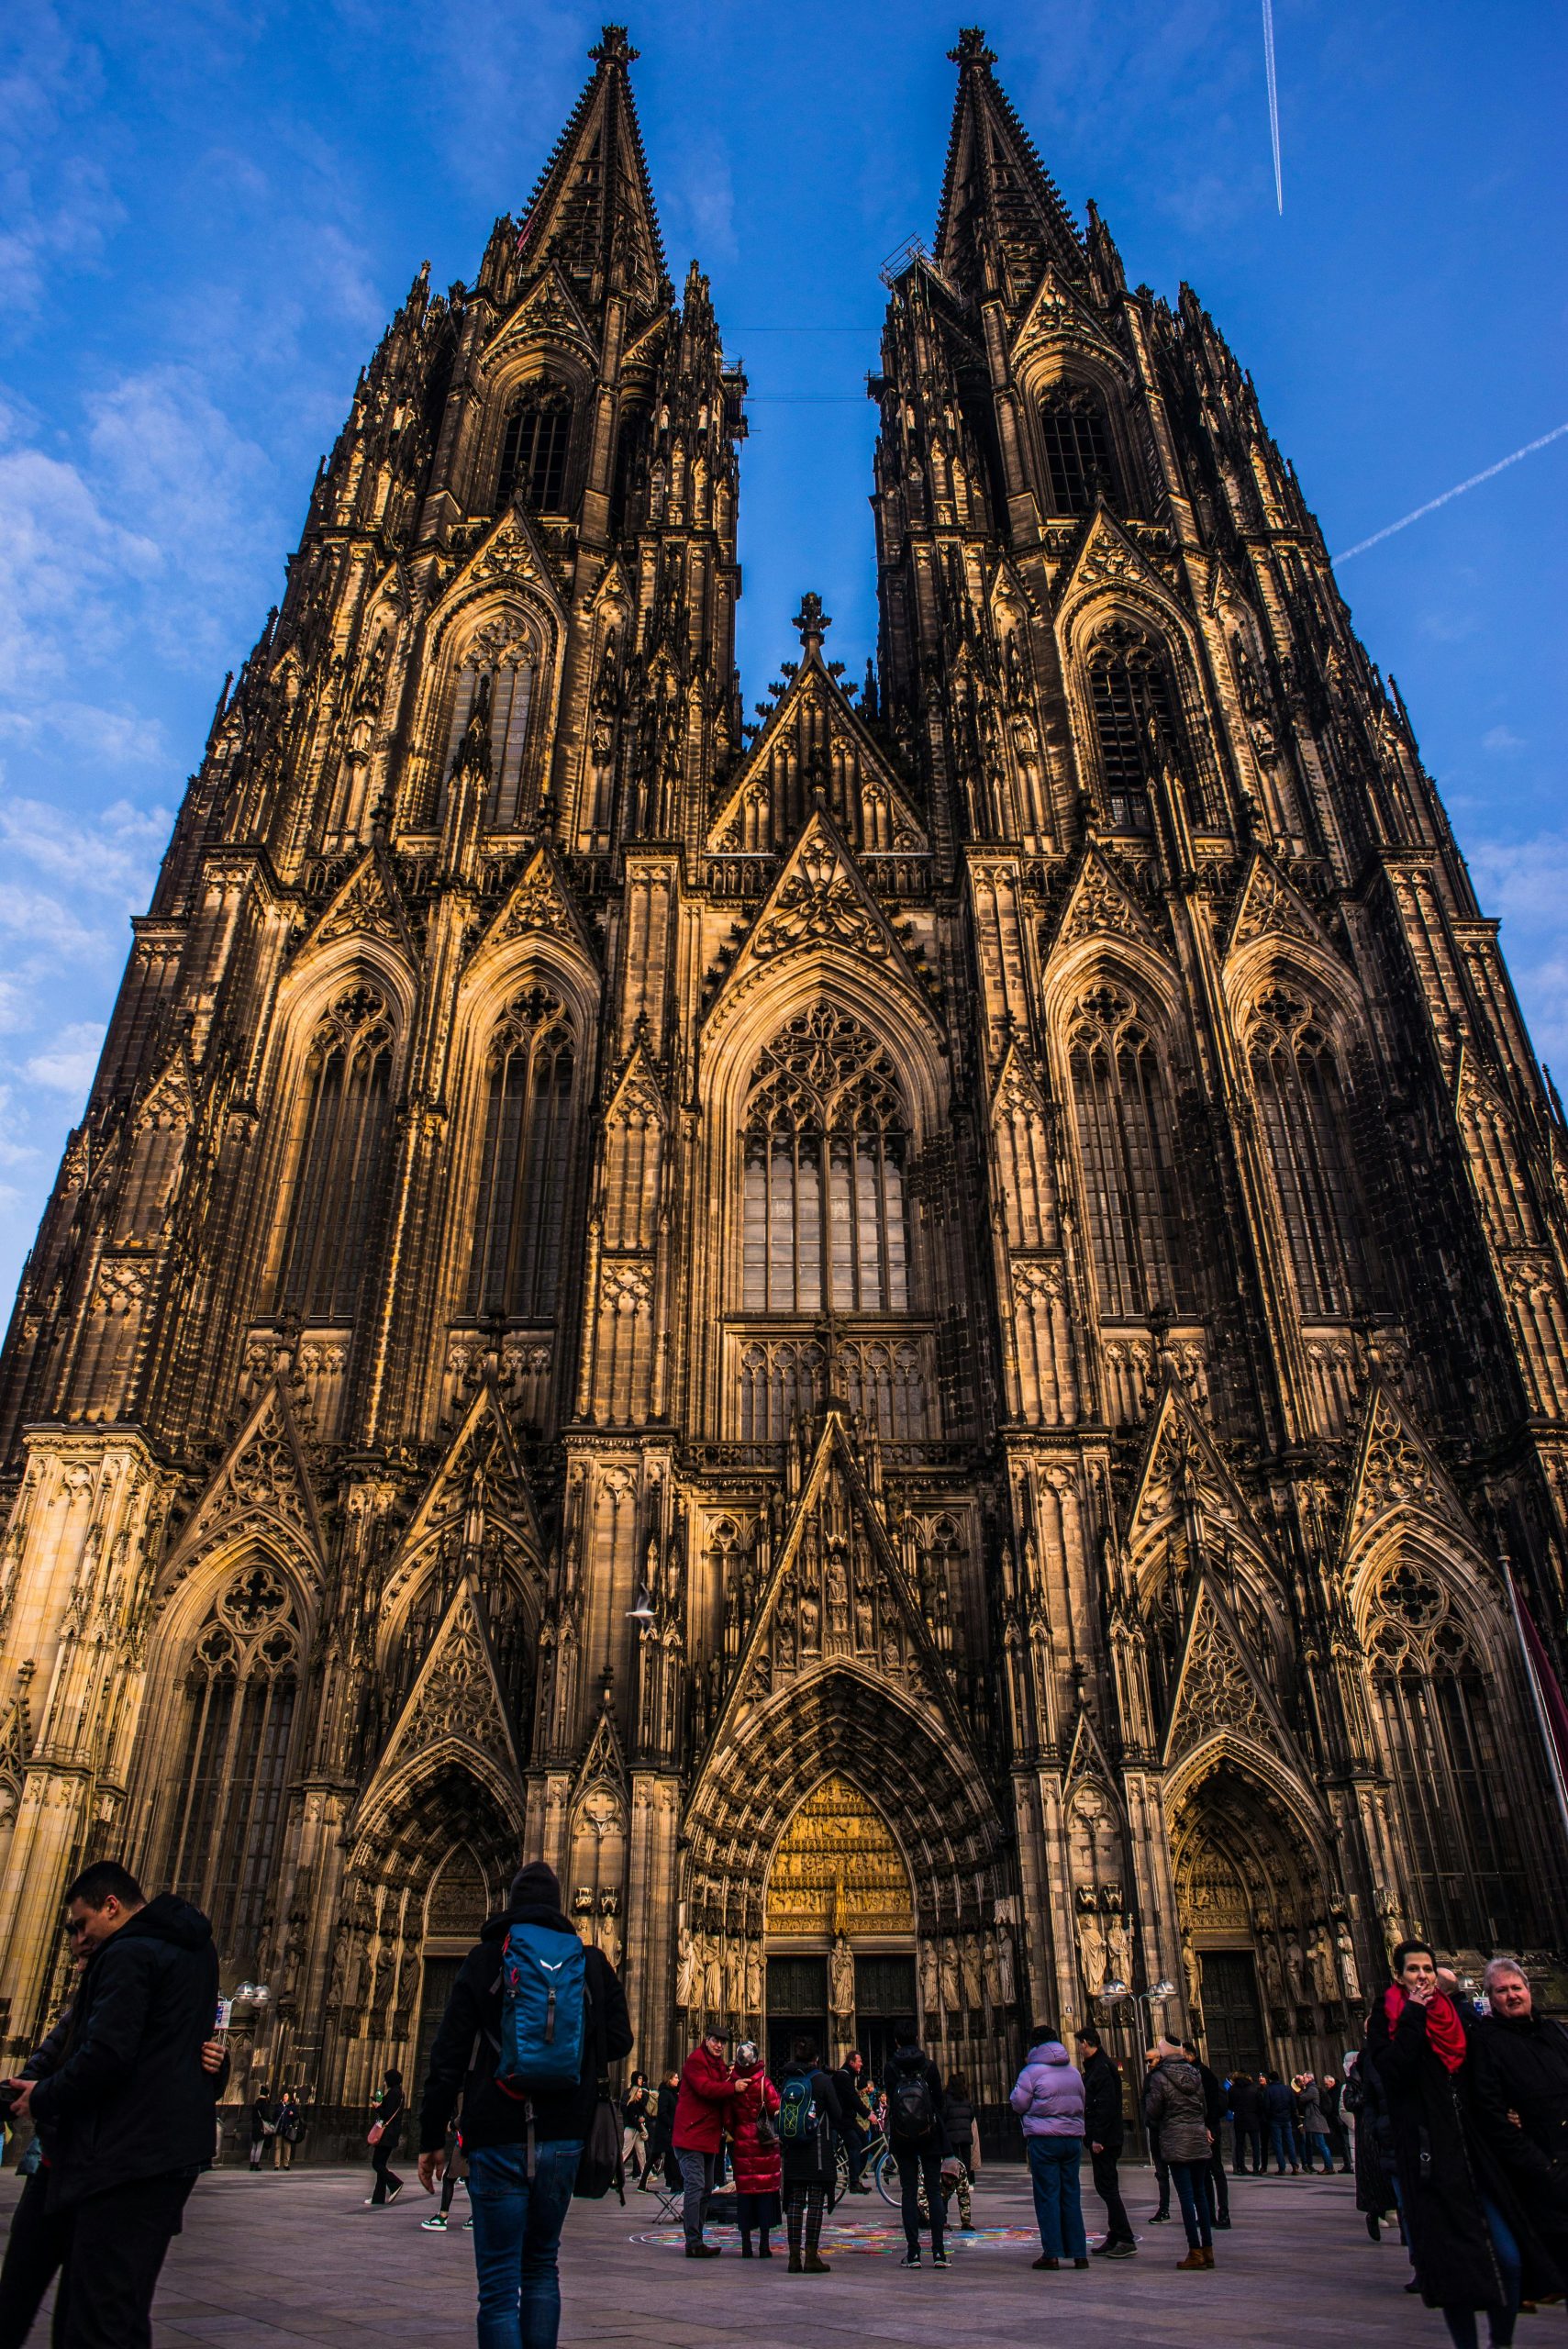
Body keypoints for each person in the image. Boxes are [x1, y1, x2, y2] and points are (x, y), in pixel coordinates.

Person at [1, 1859, 220, 2348]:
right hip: (149, 2155)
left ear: (112, 1906)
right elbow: (82, 2042)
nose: (78, 1945)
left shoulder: (127, 1954)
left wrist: (42, 2096)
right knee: (101, 2311)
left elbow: (105, 2054)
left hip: (115, 2155)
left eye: (81, 1927)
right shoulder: (198, 1951)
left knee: (92, 2317)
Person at [417, 1858, 632, 2348]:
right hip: (563, 2138)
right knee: (541, 2267)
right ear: (559, 1907)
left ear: (511, 1905)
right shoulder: (589, 1961)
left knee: (497, 2287)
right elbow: (620, 2041)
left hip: (494, 2135)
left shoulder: (485, 1959)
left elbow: (447, 2056)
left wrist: (432, 2138)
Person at [1367, 1936, 1558, 2349]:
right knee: (1454, 2272)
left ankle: (1501, 2343)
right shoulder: (1387, 2020)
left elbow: (1490, 2067)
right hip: (1430, 2159)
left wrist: (1509, 2107)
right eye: (1413, 1970)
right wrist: (1414, 2015)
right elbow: (1393, 2074)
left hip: (1475, 2153)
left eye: (1427, 1969)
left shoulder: (1460, 2017)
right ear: (1398, 1976)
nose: (1421, 1976)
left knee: (1507, 2258)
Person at [1467, 1958, 1568, 2310]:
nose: (1511, 1996)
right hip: (1539, 2172)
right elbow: (1491, 2114)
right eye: (1502, 1991)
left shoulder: (1555, 2032)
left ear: (1529, 1990)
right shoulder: (1485, 2043)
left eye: (1516, 1988)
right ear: (1490, 1998)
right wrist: (1541, 2166)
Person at [1010, 2021, 1087, 2272]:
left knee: (1047, 2196)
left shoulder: (1031, 2072)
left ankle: (1052, 2253)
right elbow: (1082, 2100)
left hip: (1044, 2140)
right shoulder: (1074, 2072)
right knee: (1071, 2195)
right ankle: (1079, 2253)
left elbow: (1018, 2103)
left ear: (1035, 2046)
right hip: (1072, 2141)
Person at [1143, 2037, 1215, 2270]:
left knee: (1186, 2197)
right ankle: (1208, 2250)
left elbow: (1153, 2110)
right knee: (1201, 2195)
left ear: (1163, 2055)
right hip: (1197, 2137)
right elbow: (1203, 2107)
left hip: (1176, 2139)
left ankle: (1194, 2251)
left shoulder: (1159, 2077)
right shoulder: (1196, 2074)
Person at [776, 2034, 843, 2273]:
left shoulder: (787, 2080)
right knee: (815, 2203)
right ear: (816, 2058)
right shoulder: (823, 2081)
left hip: (793, 2151)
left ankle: (794, 2258)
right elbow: (837, 2115)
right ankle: (812, 2256)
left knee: (794, 2202)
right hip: (816, 2152)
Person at [885, 2019, 948, 2268]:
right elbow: (940, 2103)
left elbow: (891, 2100)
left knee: (909, 2193)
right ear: (918, 2039)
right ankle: (939, 2253)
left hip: (903, 2137)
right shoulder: (929, 2066)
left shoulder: (890, 2068)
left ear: (897, 2041)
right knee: (933, 2192)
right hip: (929, 2135)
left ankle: (913, 2254)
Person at [672, 2025, 733, 2257]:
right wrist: (732, 2086)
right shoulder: (696, 2061)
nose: (719, 2045)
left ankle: (698, 2239)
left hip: (708, 2137)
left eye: (723, 2042)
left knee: (707, 2188)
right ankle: (693, 2242)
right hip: (690, 2136)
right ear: (706, 2039)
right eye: (716, 2040)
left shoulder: (719, 2066)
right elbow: (706, 2089)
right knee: (696, 2187)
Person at [1075, 2025, 1134, 2257]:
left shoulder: (1102, 2068)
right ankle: (1115, 2236)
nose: (1078, 2049)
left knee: (1108, 2188)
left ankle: (1126, 2238)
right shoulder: (1097, 2067)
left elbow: (1106, 2106)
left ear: (1087, 2043)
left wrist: (1098, 2137)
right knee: (1105, 2187)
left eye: (1080, 2044)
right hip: (1102, 2137)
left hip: (1105, 2139)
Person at [726, 2043, 781, 2257]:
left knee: (746, 2195)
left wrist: (739, 2131)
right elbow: (776, 2108)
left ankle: (746, 2246)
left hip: (742, 2143)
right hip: (763, 2144)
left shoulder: (733, 2084)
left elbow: (728, 2118)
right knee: (765, 2193)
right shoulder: (763, 2083)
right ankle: (764, 2245)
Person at [1182, 2042, 1229, 2230]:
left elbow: (1211, 2103)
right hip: (1199, 2128)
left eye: (1183, 2055)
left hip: (1209, 2128)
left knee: (1216, 2170)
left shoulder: (1204, 2073)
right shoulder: (1191, 2073)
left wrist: (1208, 2126)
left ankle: (1223, 2212)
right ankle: (1207, 2214)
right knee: (1203, 2173)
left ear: (1191, 2054)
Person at [940, 2072, 979, 2230]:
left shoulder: (946, 2099)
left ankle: (942, 2218)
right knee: (964, 2184)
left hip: (950, 2143)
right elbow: (971, 2116)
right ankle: (966, 2220)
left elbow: (942, 2117)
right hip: (965, 2142)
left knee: (947, 2182)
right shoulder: (966, 2100)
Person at [832, 2050, 872, 2192]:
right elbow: (852, 2099)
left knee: (864, 2140)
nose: (861, 2063)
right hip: (842, 2120)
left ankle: (856, 2174)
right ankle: (854, 2181)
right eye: (859, 2061)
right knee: (855, 2143)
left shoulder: (847, 2075)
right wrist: (868, 2114)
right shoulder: (843, 2076)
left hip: (848, 2119)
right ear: (851, 2062)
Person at [367, 2069, 406, 2206]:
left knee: (376, 2164)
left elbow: (386, 2114)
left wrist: (377, 2107)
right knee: (381, 2164)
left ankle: (395, 2183)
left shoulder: (394, 2093)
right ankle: (378, 2198)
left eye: (385, 2079)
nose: (384, 2082)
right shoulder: (400, 2093)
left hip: (386, 2134)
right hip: (392, 2133)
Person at [641, 2069, 679, 2193]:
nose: (677, 2080)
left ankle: (672, 2184)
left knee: (665, 2157)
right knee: (663, 2157)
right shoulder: (664, 2093)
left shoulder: (673, 2093)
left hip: (668, 2131)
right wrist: (672, 2125)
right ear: (669, 2079)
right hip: (664, 2132)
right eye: (675, 2078)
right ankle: (674, 2185)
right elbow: (662, 2113)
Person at [1228, 2070, 1263, 2176]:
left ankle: (1240, 2167)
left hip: (1239, 2118)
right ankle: (1256, 2167)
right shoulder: (1254, 2088)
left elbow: (1229, 2105)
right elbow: (1260, 2104)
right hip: (1252, 2118)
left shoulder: (1232, 2089)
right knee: (1255, 2144)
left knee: (1239, 2145)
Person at [1296, 2071, 1333, 2174]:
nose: (1303, 2080)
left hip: (1316, 2120)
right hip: (1314, 2120)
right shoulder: (1310, 2088)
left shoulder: (1312, 2089)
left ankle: (1329, 2167)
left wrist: (1297, 2089)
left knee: (1321, 2144)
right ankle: (1329, 2166)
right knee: (1321, 2144)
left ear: (1309, 2078)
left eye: (1304, 2078)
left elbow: (1302, 2098)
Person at [1262, 2071, 1299, 2174]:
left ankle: (1282, 2167)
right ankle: (1294, 2165)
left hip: (1275, 2120)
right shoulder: (1287, 2089)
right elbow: (1293, 2104)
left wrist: (1270, 2116)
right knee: (1290, 2142)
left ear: (1270, 2079)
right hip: (1286, 2119)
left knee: (1278, 2143)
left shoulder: (1269, 2090)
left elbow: (1266, 2106)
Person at [620, 2071, 650, 2182]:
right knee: (627, 2152)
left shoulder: (642, 2094)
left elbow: (643, 2110)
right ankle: (614, 2172)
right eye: (640, 2079)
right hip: (631, 2127)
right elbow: (628, 2111)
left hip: (637, 2127)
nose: (642, 2081)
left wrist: (643, 2118)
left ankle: (645, 2174)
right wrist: (638, 2119)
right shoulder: (629, 2094)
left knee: (641, 2152)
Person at [1320, 2072, 1351, 2174]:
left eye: (1326, 2084)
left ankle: (1348, 2164)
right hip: (1337, 2120)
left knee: (1344, 2143)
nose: (1325, 2086)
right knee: (1343, 2143)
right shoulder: (1335, 2090)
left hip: (1339, 2120)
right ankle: (1348, 2164)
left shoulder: (1338, 2091)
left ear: (1331, 2082)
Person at [248, 2083, 280, 2173]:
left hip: (255, 2126)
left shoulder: (255, 2104)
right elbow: (266, 2116)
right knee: (259, 2146)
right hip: (261, 2127)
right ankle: (256, 2164)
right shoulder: (264, 2104)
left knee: (254, 2146)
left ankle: (251, 2164)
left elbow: (253, 2117)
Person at [274, 2087, 301, 2170]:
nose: (285, 2097)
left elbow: (297, 2116)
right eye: (284, 2096)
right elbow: (275, 2115)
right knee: (278, 2146)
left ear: (289, 2097)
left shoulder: (292, 2106)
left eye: (286, 2096)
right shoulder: (279, 2106)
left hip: (287, 2129)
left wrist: (292, 2114)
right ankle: (277, 2164)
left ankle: (286, 2163)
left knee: (287, 2147)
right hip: (280, 2129)